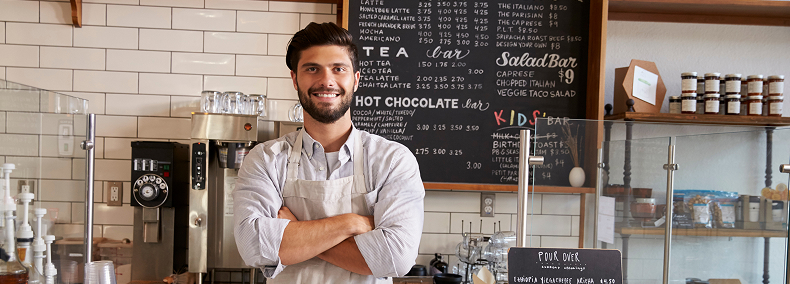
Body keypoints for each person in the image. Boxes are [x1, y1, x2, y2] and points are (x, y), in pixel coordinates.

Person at [232, 22, 425, 283]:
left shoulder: (392, 160)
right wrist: (351, 224)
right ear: (294, 79)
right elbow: (253, 247)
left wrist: (295, 231)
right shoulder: (264, 160)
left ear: (355, 79)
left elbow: (395, 257)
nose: (326, 80)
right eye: (312, 69)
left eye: (338, 69)